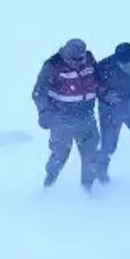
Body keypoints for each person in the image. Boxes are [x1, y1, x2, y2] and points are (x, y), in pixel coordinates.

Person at [32, 38, 100, 191]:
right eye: (73, 60)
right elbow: (38, 93)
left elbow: (98, 81)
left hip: (87, 116)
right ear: (66, 54)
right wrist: (44, 112)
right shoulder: (52, 65)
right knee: (60, 155)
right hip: (61, 118)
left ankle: (87, 190)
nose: (77, 63)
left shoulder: (89, 60)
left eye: (80, 59)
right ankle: (49, 185)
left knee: (91, 155)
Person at [95, 42, 130, 187]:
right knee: (109, 145)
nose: (127, 67)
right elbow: (92, 85)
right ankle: (100, 171)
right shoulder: (103, 66)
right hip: (110, 110)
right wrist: (105, 94)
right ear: (116, 60)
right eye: (123, 64)